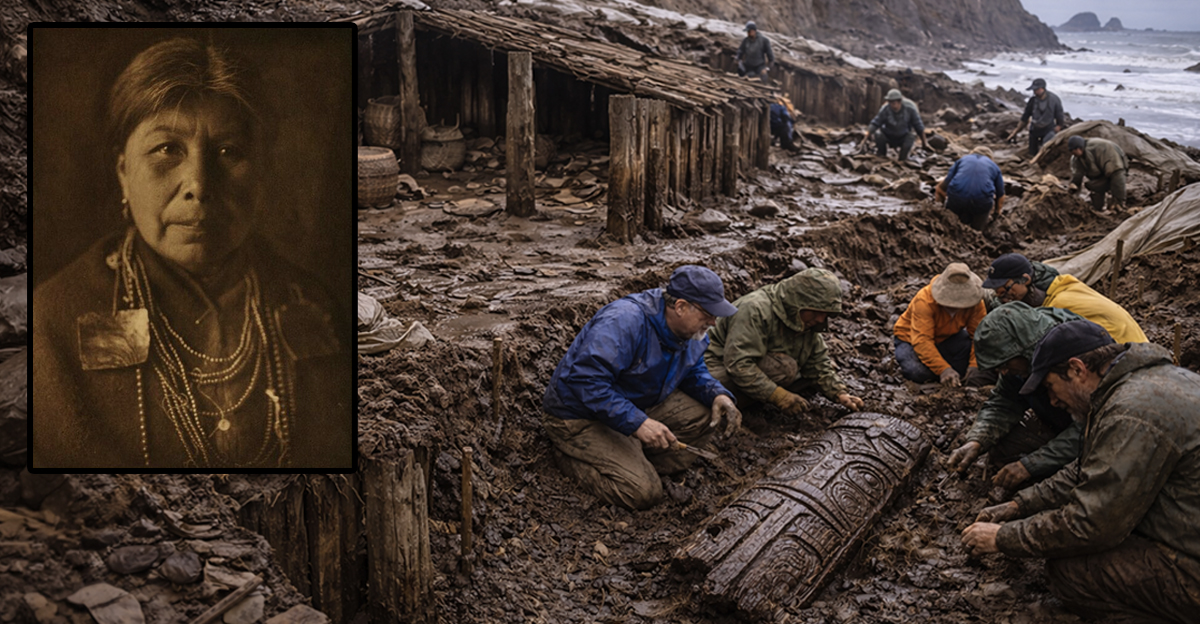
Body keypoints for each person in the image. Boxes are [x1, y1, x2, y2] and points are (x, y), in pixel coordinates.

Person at [31, 37, 351, 469]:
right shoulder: (55, 320)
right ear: (124, 171)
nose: (199, 184)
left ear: (261, 171)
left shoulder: (312, 303)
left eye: (228, 152)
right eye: (167, 149)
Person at [961, 320, 1200, 624]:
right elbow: (1089, 467)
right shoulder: (1152, 382)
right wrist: (1019, 504)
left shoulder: (1130, 412)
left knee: (1072, 572)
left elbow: (1094, 525)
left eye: (1050, 386)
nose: (1052, 401)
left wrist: (1003, 538)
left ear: (1076, 369)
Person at [542, 265, 743, 510]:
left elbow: (693, 369)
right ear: (680, 307)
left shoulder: (692, 331)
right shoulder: (624, 321)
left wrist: (717, 393)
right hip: (579, 416)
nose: (713, 322)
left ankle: (631, 457)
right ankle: (571, 454)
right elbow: (585, 381)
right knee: (642, 492)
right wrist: (637, 423)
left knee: (704, 415)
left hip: (630, 404)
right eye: (707, 314)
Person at [948, 302, 1085, 490]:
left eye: (1005, 364)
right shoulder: (1019, 363)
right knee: (1002, 450)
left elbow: (1091, 427)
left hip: (1099, 433)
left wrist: (1030, 465)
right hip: (1060, 423)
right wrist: (977, 440)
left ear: (1026, 351)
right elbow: (1004, 402)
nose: (1003, 372)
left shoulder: (1077, 355)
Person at [704, 268, 864, 419]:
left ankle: (751, 398)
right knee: (787, 369)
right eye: (816, 312)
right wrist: (779, 396)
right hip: (713, 367)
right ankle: (732, 403)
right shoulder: (755, 309)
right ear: (798, 302)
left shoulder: (804, 321)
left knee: (806, 376)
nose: (821, 319)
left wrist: (839, 394)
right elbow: (739, 365)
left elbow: (817, 363)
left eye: (826, 314)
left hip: (748, 367)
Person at [982, 252, 1147, 343]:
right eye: (997, 292)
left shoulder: (1059, 304)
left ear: (1026, 279)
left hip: (1125, 354)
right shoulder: (1059, 286)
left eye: (1004, 290)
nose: (1001, 296)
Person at [893, 263, 990, 387]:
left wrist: (974, 365)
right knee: (916, 372)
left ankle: (945, 366)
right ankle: (943, 368)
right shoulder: (924, 300)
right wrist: (943, 369)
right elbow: (922, 341)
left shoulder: (975, 302)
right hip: (909, 340)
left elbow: (979, 336)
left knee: (980, 364)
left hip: (949, 338)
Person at [934, 146, 1006, 231]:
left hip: (957, 199)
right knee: (977, 229)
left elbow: (944, 185)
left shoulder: (962, 160)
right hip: (981, 203)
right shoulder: (994, 166)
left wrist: (942, 199)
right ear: (990, 158)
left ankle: (939, 216)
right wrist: (997, 213)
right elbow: (1001, 195)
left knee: (939, 190)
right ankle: (978, 231)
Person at [1068, 135, 1129, 211]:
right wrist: (1074, 185)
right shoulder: (1076, 158)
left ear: (1079, 148)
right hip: (1099, 173)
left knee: (1117, 182)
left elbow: (1116, 170)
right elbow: (1078, 173)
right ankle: (1097, 208)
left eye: (1074, 151)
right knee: (1093, 186)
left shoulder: (1099, 147)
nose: (1073, 154)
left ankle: (1118, 205)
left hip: (1114, 164)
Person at [864, 88, 927, 161]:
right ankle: (881, 154)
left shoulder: (910, 109)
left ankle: (903, 158)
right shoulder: (885, 109)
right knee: (878, 134)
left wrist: (924, 143)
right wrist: (865, 138)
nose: (892, 105)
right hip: (888, 135)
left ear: (900, 101)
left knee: (911, 137)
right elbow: (875, 123)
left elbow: (919, 126)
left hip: (903, 136)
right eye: (890, 102)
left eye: (894, 103)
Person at [1005, 78, 1064, 156]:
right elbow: (1025, 117)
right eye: (1034, 90)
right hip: (1034, 129)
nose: (1034, 92)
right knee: (1032, 153)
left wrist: (1059, 127)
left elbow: (1060, 116)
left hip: (1048, 129)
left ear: (1042, 88)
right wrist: (1015, 132)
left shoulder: (1054, 100)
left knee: (1045, 150)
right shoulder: (1033, 101)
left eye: (1036, 89)